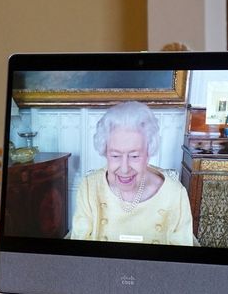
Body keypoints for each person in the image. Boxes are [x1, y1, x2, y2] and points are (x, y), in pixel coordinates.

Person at [70, 101, 195, 245]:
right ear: (105, 152)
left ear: (149, 153)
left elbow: (180, 260)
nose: (124, 169)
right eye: (115, 156)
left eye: (134, 156)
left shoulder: (175, 194)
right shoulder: (89, 188)